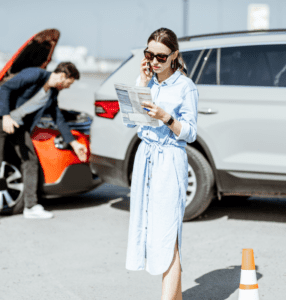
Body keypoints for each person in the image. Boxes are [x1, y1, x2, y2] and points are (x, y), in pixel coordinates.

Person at [125, 28, 198, 299]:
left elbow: (190, 132)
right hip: (145, 159)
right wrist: (141, 84)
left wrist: (166, 117)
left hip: (169, 160)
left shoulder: (185, 87)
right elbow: (132, 121)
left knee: (168, 235)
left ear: (174, 55)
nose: (154, 62)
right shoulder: (147, 81)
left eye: (161, 57)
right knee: (151, 230)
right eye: (149, 55)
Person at [0, 62, 87, 219]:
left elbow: (58, 118)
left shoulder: (52, 93)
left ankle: (31, 207)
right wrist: (5, 116)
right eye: (69, 83)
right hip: (2, 118)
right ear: (63, 76)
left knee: (30, 160)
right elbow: (5, 88)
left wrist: (74, 143)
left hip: (17, 125)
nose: (68, 87)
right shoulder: (35, 74)